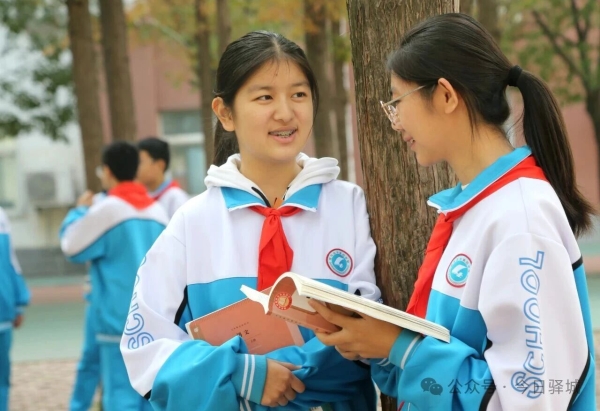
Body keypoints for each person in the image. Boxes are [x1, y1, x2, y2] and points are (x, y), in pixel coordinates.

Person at [309, 13, 597, 411]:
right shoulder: (477, 209)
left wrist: (398, 347)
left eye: (397, 101)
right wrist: (377, 343)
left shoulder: (520, 219)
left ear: (445, 95)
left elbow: (529, 399)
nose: (395, 121)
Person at [120, 31, 381, 411]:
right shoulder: (193, 223)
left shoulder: (348, 205)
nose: (285, 113)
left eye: (299, 94)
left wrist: (282, 378)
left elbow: (370, 333)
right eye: (264, 97)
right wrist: (244, 375)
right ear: (225, 113)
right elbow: (144, 347)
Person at [60, 141, 168, 411]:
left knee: (120, 395)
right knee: (149, 394)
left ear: (107, 171)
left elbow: (71, 245)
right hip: (153, 320)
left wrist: (79, 210)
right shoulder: (158, 212)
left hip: (116, 321)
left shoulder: (107, 210)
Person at [69, 190, 106, 411]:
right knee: (90, 361)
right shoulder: (102, 203)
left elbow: (71, 243)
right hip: (101, 303)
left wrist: (80, 211)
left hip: (113, 308)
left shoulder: (167, 200)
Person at [0, 207, 30, 411]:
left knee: (2, 377)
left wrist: (19, 302)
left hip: (3, 312)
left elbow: (11, 261)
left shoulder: (1, 216)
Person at [136, 137, 190, 218]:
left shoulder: (175, 198)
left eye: (140, 162)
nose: (136, 167)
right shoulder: (141, 197)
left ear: (160, 165)